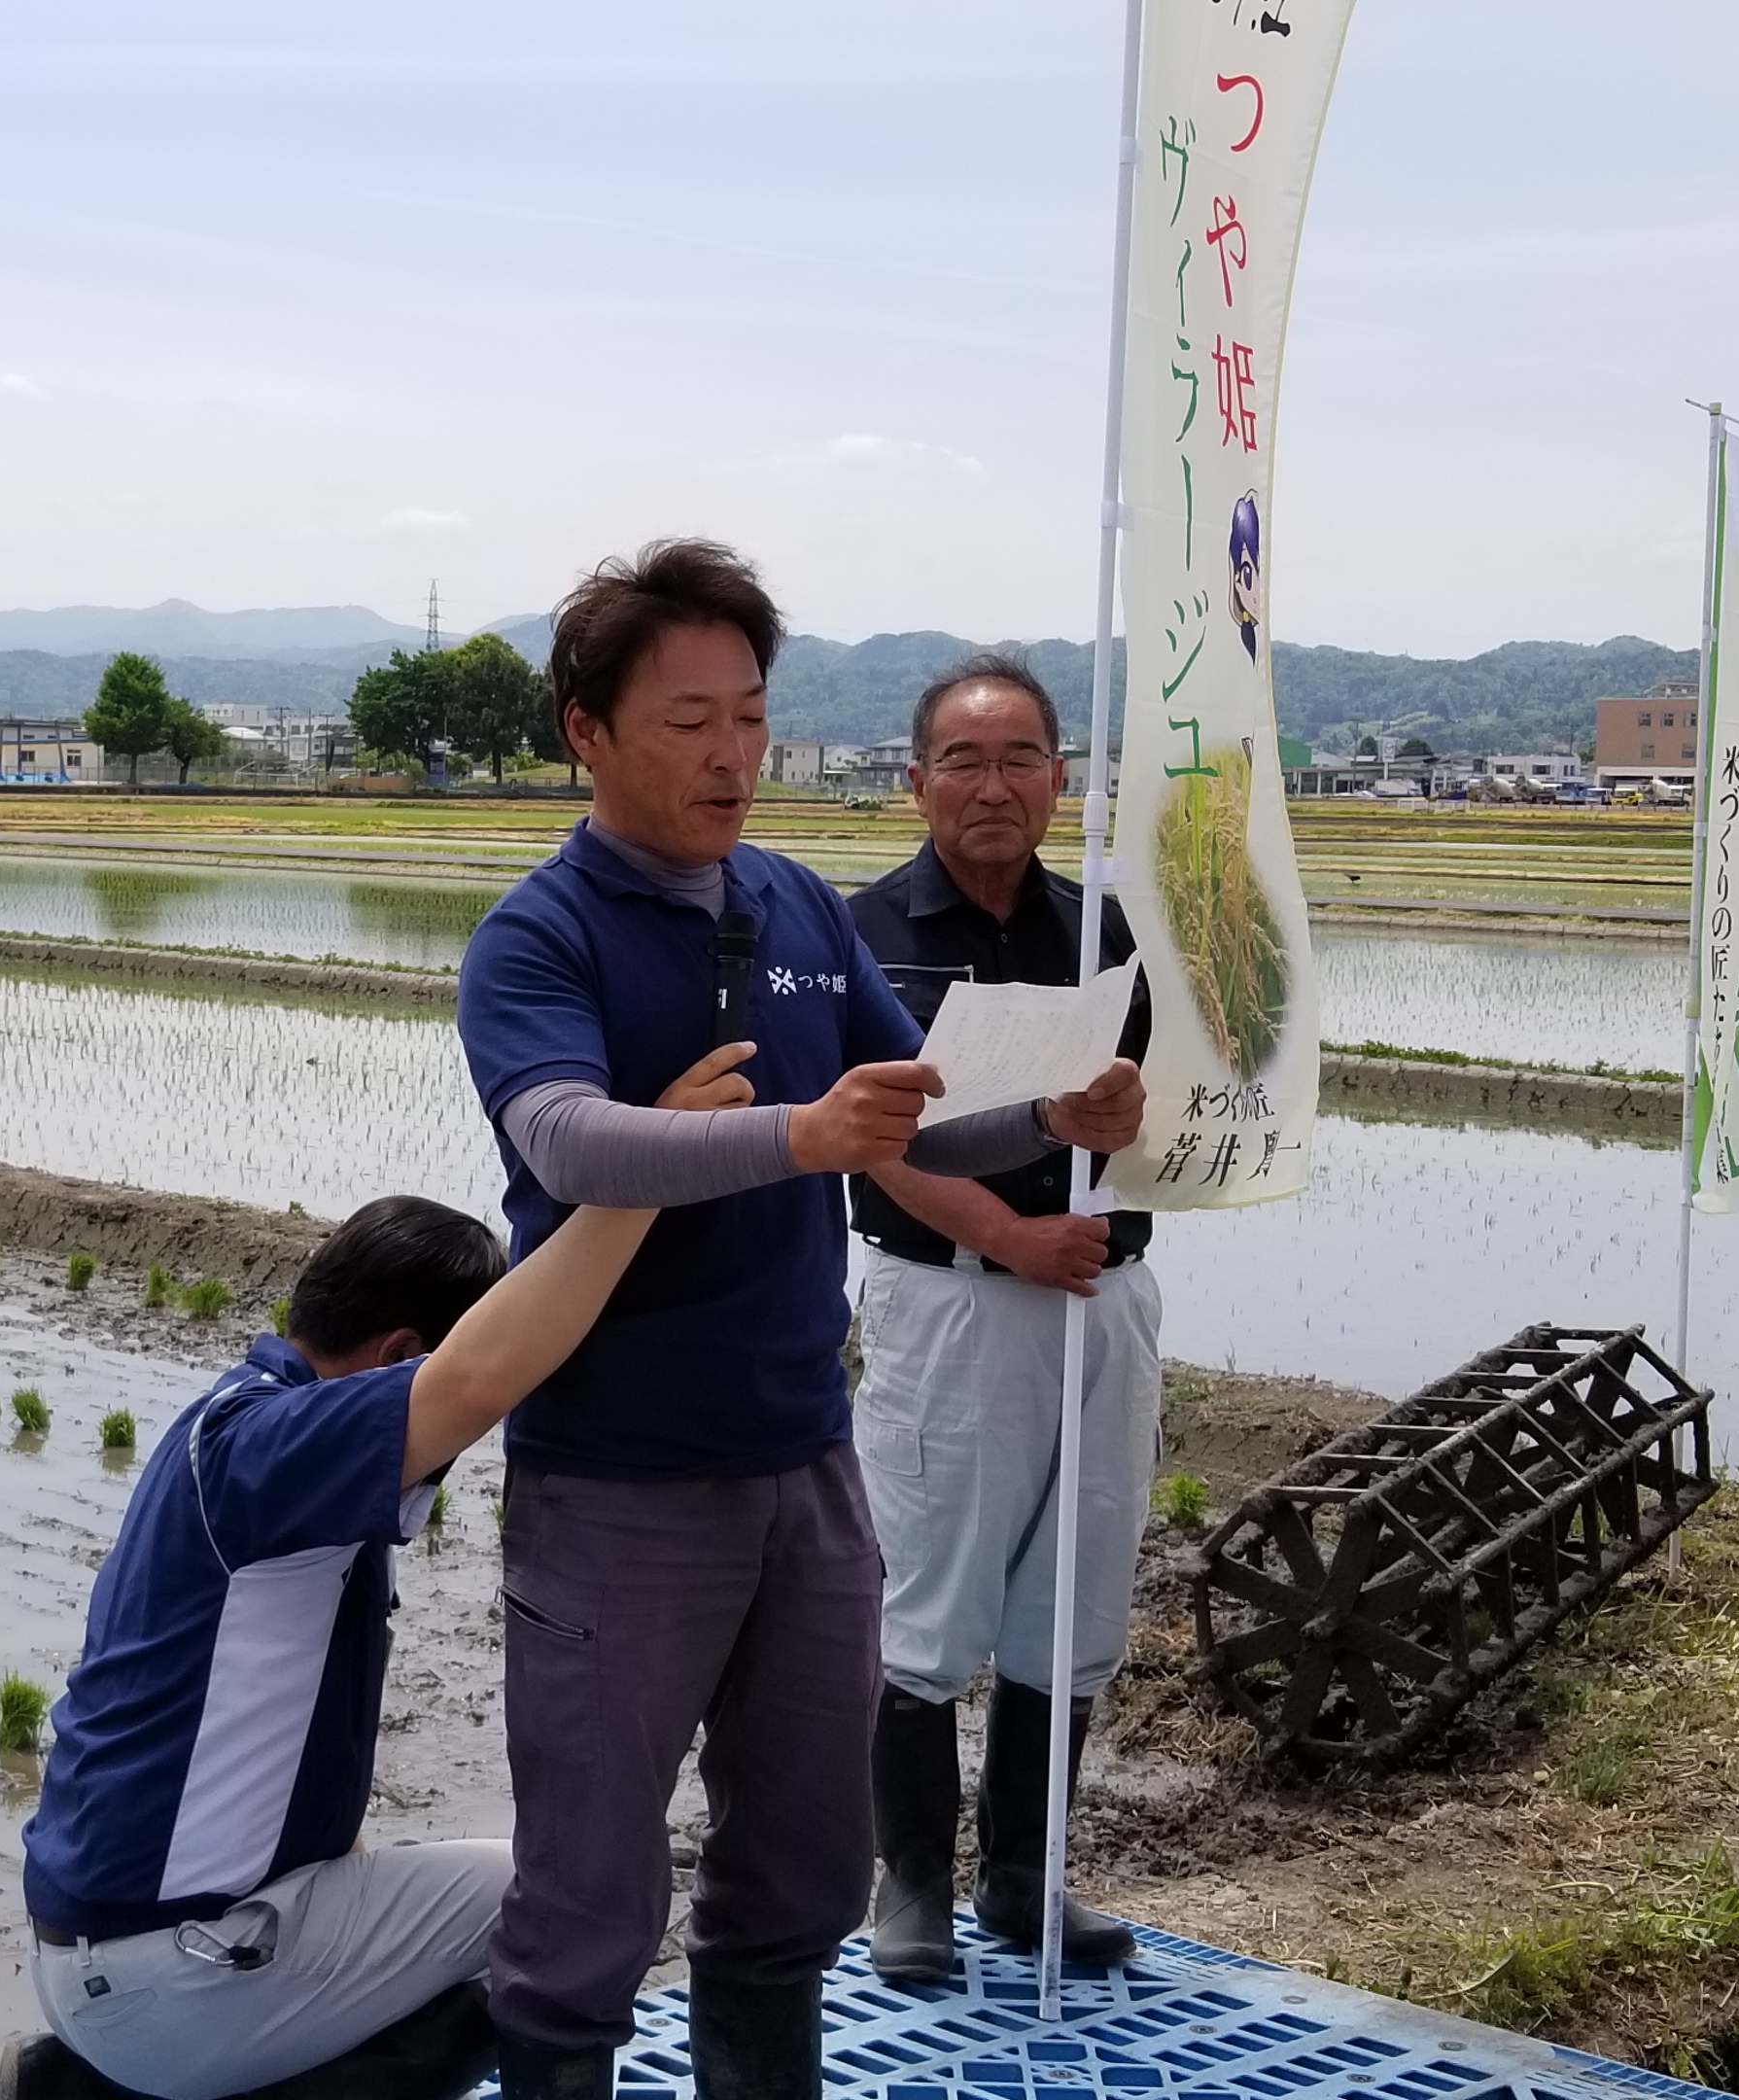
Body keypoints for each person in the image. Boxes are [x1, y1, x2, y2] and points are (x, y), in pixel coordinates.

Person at [453, 542, 1144, 2099]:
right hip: (619, 1480)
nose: (732, 756)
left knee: (800, 1874)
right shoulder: (539, 937)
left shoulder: (791, 906)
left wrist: (1048, 1104)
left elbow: (902, 1119)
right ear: (587, 731)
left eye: (752, 716)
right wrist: (796, 1138)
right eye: (690, 719)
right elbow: (564, 1138)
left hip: (802, 1469)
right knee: (588, 1898)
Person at [5, 1180, 677, 2100]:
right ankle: (124, 2093)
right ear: (399, 1355)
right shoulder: (275, 1450)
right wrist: (649, 1178)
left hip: (113, 1949)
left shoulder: (237, 1425)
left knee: (465, 1892)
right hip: (162, 1975)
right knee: (579, 1903)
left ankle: (102, 2083)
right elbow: (482, 1374)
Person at [842, 652, 1158, 1983]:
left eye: (1019, 758)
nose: (992, 785)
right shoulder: (861, 931)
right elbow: (869, 1138)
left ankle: (1027, 1882)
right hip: (954, 1303)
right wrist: (1009, 1232)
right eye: (962, 761)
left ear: (1059, 778)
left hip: (1104, 1300)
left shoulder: (1107, 931)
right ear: (916, 781)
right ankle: (909, 1882)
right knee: (928, 1596)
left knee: (1072, 1596)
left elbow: (1166, 1101)